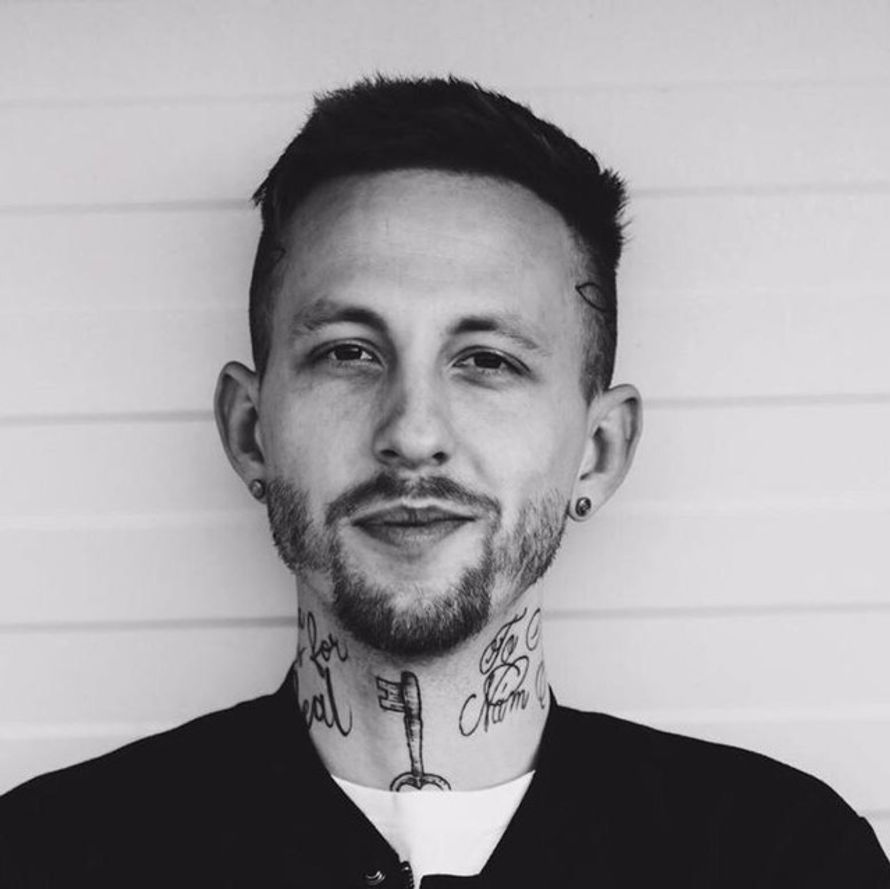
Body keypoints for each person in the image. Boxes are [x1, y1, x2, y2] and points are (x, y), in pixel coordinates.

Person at [1, 75, 887, 888]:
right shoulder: (47, 855)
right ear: (249, 430)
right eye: (348, 353)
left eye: (488, 360)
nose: (413, 433)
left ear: (600, 449)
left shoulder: (787, 858)